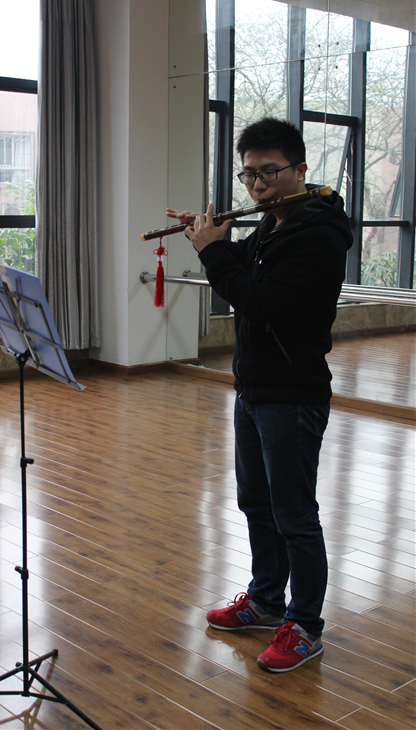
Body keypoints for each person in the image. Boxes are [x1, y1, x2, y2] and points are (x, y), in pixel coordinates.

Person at [166, 117, 353, 673]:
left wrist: (211, 252)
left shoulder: (318, 235)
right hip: (253, 388)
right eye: (248, 175)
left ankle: (305, 626)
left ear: (300, 169)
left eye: (269, 173)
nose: (257, 186)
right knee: (256, 504)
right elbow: (244, 267)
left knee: (294, 514)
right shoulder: (274, 224)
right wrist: (212, 236)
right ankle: (268, 601)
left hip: (292, 395)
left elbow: (258, 303)